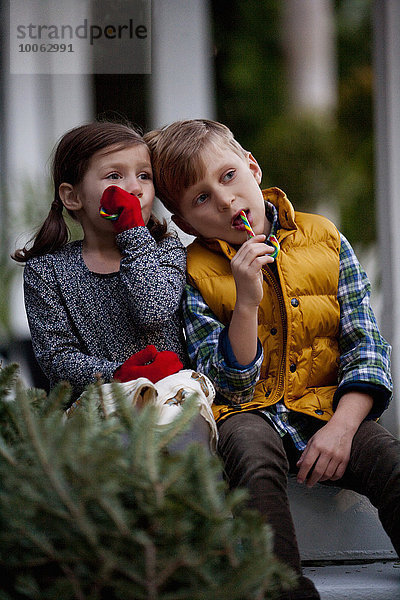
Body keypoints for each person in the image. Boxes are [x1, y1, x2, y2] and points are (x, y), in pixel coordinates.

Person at [145, 119, 399, 599]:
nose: (224, 200)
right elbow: (229, 385)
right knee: (247, 452)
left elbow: (366, 344)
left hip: (328, 407)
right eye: (200, 199)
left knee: (389, 459)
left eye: (227, 177)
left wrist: (344, 427)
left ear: (251, 167)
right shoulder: (195, 270)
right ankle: (281, 587)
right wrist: (245, 301)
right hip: (251, 412)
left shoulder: (323, 238)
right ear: (185, 223)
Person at [12, 121, 216, 450]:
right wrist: (119, 373)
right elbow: (57, 358)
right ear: (72, 196)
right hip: (98, 402)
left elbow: (153, 310)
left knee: (183, 432)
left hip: (169, 393)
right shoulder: (46, 271)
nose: (133, 188)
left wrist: (133, 233)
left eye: (144, 176)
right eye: (114, 176)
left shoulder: (166, 250)